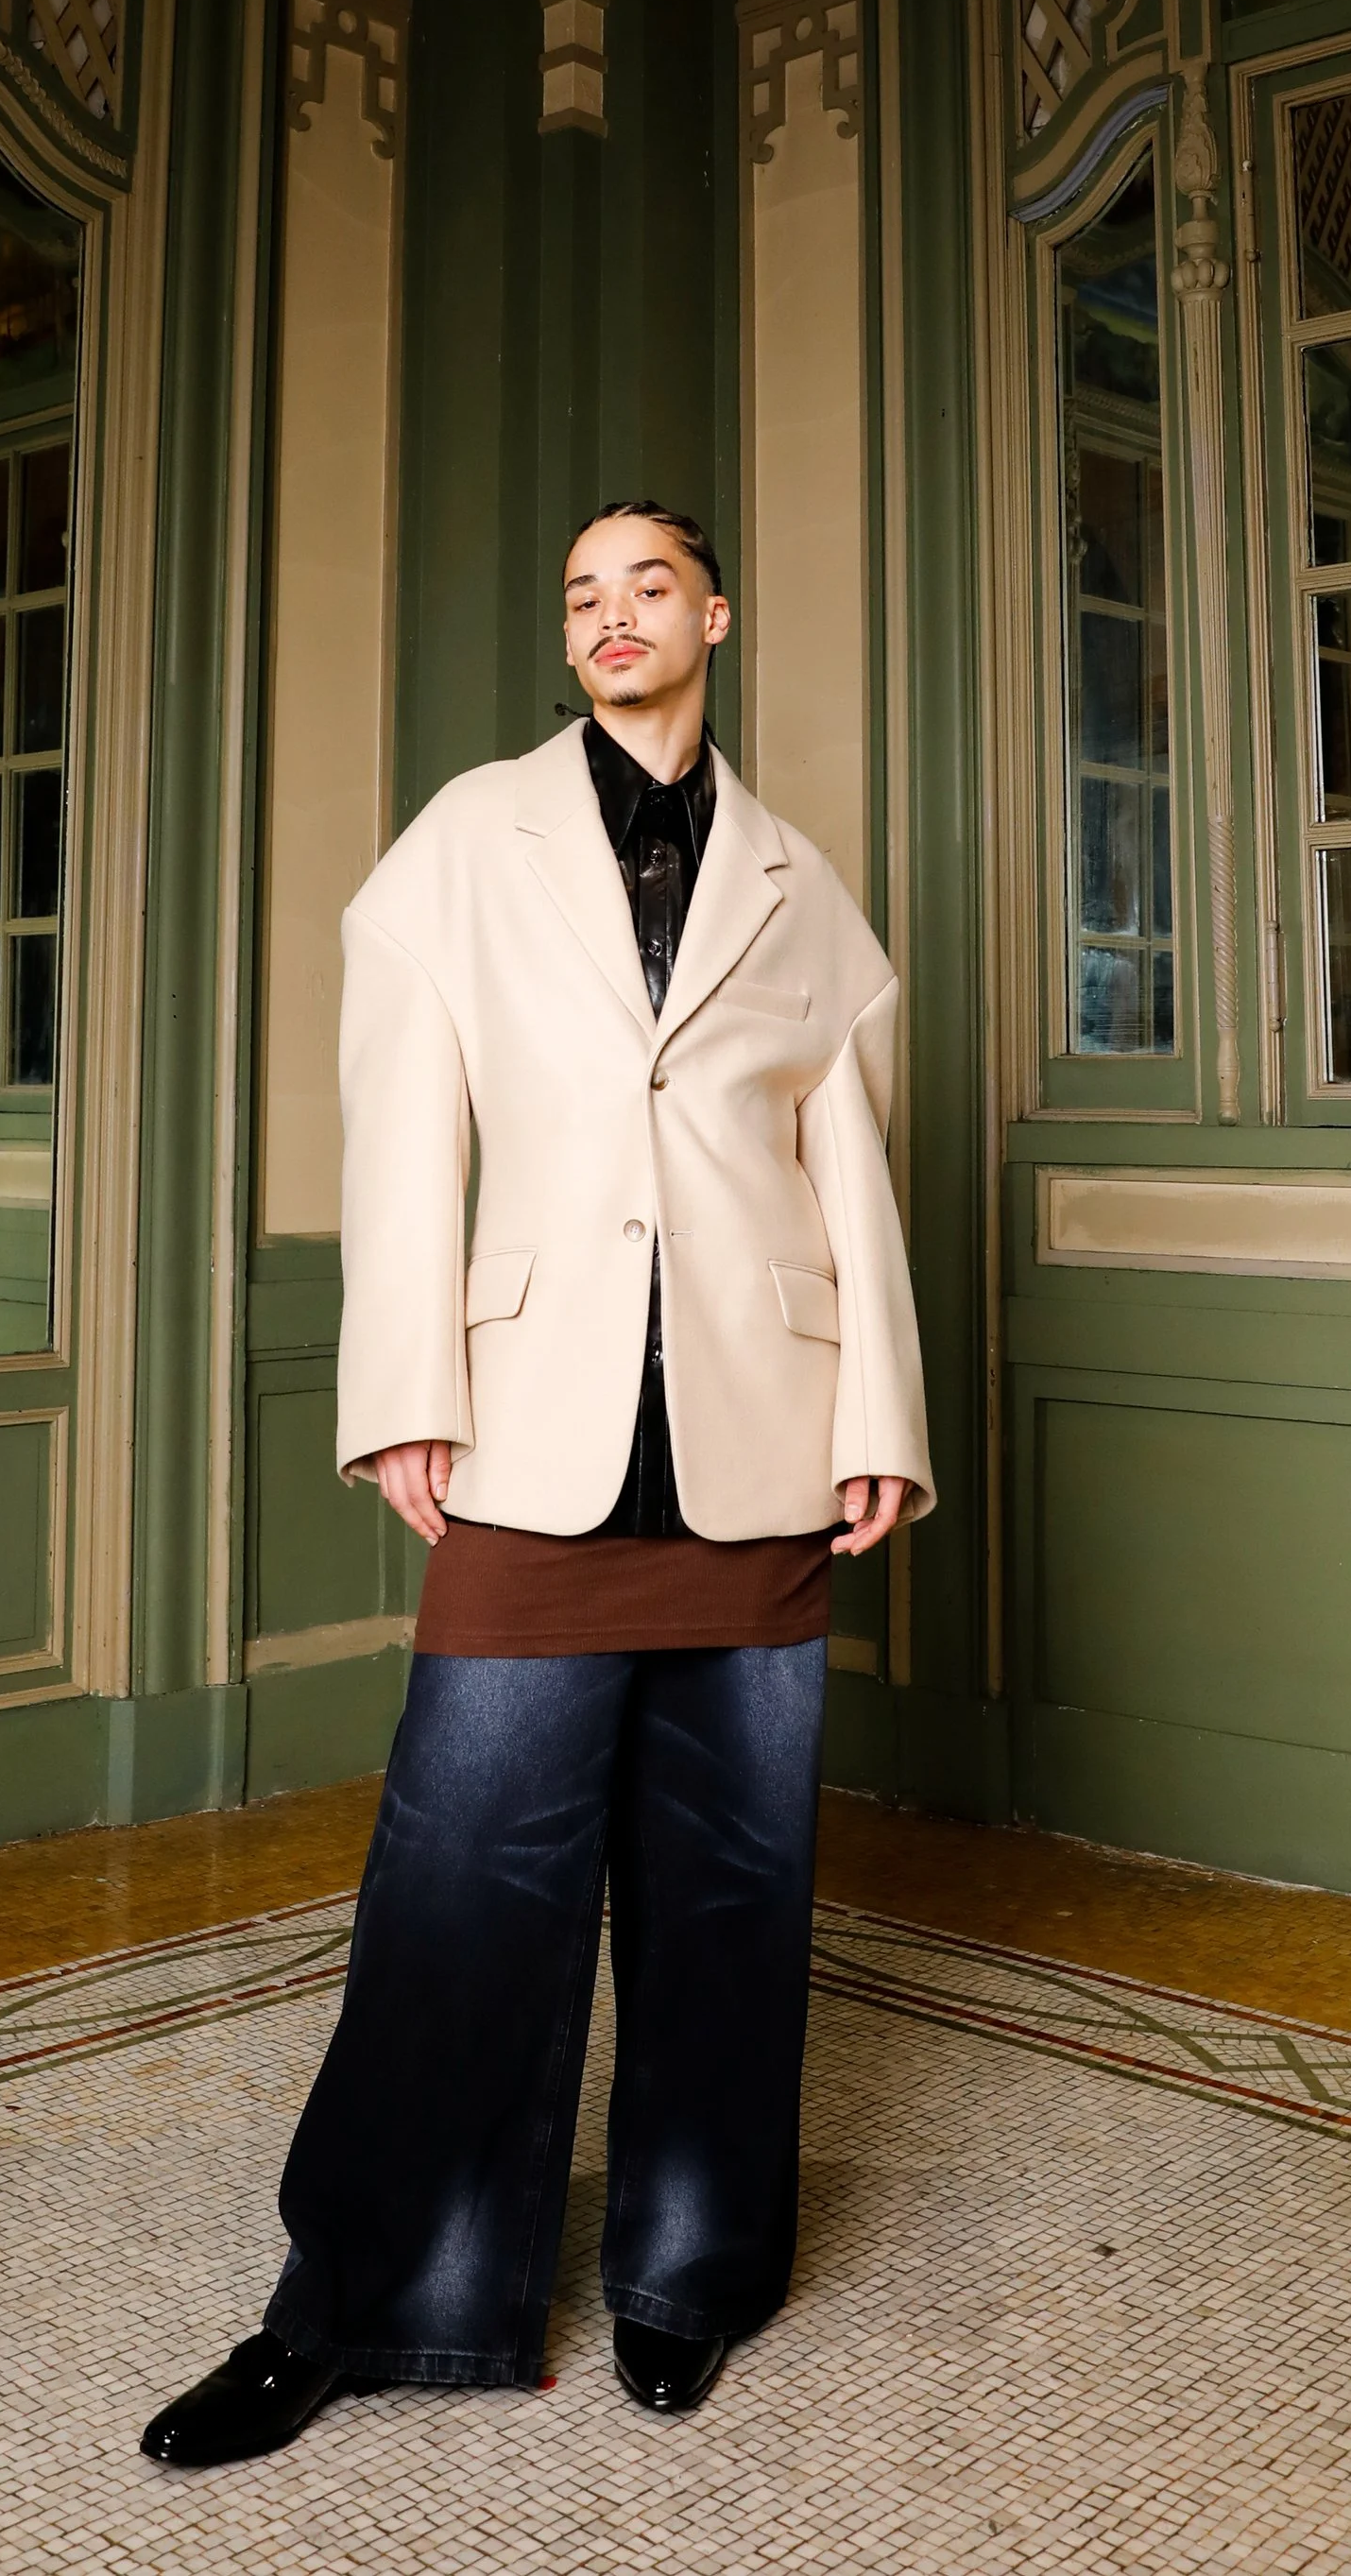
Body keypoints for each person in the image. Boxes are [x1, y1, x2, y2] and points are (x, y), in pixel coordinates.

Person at [143, 499, 932, 2466]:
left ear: (713, 614)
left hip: (757, 1425)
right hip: (530, 1420)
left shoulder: (792, 880)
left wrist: (880, 1416)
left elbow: (853, 1158)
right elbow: (400, 1127)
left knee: (732, 1890)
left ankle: (688, 2272)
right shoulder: (460, 843)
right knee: (459, 1883)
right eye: (575, 590)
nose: (607, 614)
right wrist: (404, 1383)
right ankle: (357, 2295)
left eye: (644, 582)